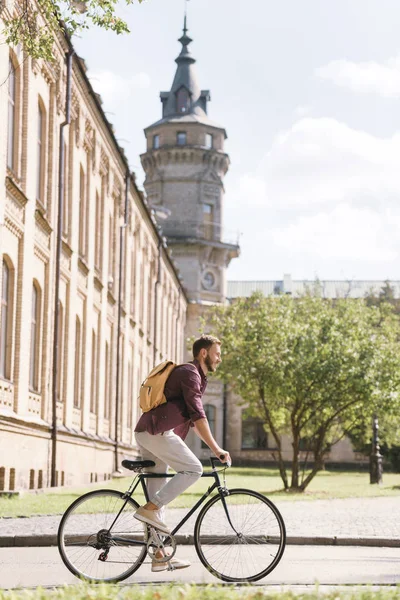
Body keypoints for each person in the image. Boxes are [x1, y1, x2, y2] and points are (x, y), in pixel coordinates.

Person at [134, 334, 231, 572]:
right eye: (217, 354)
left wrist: (211, 445)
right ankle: (149, 511)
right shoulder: (190, 373)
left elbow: (195, 421)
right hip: (156, 433)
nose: (220, 358)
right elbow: (198, 415)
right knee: (193, 469)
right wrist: (216, 449)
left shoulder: (197, 377)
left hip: (152, 432)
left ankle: (159, 555)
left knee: (156, 502)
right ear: (204, 353)